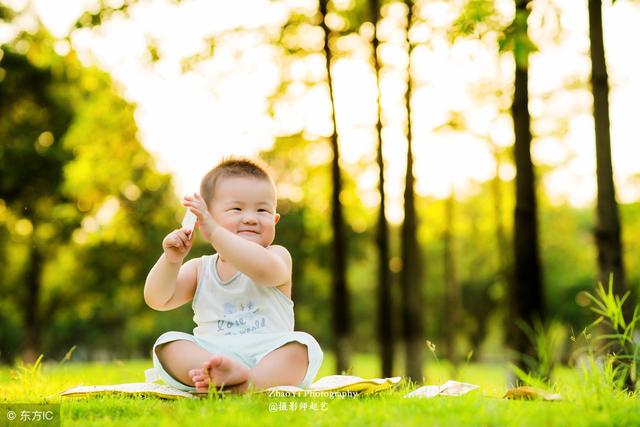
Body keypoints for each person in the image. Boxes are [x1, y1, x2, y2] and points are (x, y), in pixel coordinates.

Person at [144, 157, 323, 394]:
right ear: (206, 219)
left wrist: (216, 232)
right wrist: (171, 261)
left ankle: (245, 384)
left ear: (275, 219)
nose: (250, 217)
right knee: (168, 344)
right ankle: (218, 375)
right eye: (236, 209)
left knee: (300, 348)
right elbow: (158, 299)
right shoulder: (201, 268)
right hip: (212, 354)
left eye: (262, 210)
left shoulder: (277, 257)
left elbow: (261, 271)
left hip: (267, 355)